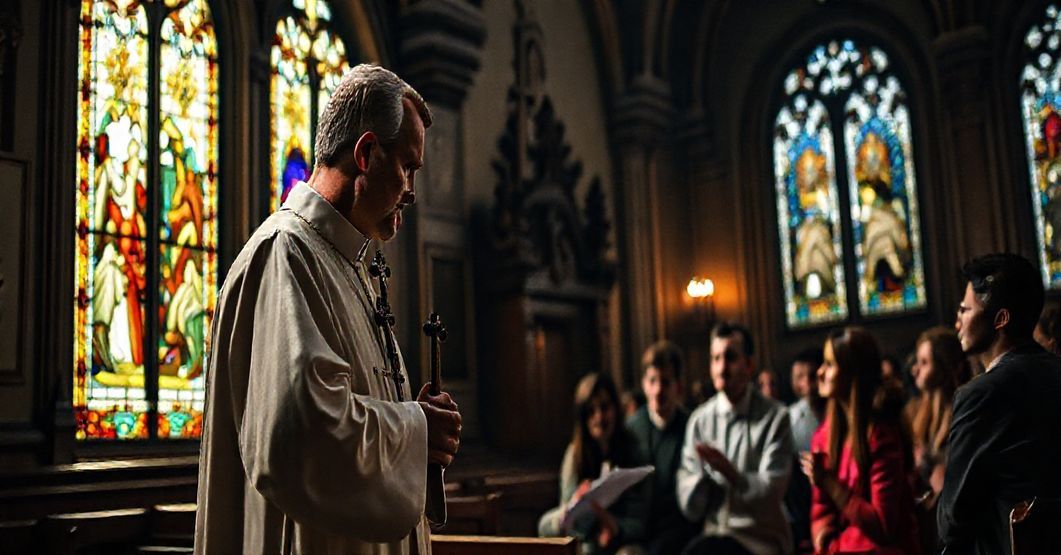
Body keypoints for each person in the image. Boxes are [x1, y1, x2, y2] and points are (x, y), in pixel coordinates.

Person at [194, 65, 462, 554]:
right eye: (406, 166)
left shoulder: (345, 262)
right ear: (365, 153)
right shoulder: (285, 255)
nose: (411, 189)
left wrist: (411, 421)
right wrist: (416, 428)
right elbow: (302, 434)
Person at [938, 253, 1061, 554]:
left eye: (966, 310)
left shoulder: (981, 394)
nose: (957, 321)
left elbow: (953, 518)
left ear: (1000, 319)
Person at [800, 326, 921, 555]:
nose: (819, 372)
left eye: (830, 364)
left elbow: (883, 526)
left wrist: (831, 484)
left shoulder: (880, 435)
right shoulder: (824, 436)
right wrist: (823, 536)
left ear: (852, 374)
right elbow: (821, 509)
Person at [677, 322, 794, 555]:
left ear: (749, 365)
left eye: (730, 358)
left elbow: (772, 494)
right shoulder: (700, 420)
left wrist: (731, 474)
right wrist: (701, 478)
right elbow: (689, 505)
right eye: (715, 358)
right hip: (715, 535)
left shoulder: (775, 417)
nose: (721, 368)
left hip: (760, 539)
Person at [539, 372, 647, 554]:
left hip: (622, 543)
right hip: (585, 541)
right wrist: (574, 507)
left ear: (615, 409)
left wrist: (614, 526)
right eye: (591, 410)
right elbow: (562, 524)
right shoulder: (575, 454)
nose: (599, 417)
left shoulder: (632, 450)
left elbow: (640, 521)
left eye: (604, 407)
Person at [626, 341, 698, 555]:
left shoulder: (691, 427)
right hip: (638, 528)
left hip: (679, 530)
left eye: (666, 382)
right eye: (652, 381)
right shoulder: (631, 428)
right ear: (644, 384)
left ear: (679, 386)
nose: (658, 390)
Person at [906, 326, 969, 552]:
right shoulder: (914, 411)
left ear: (944, 367)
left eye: (924, 363)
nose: (915, 370)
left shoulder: (963, 412)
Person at [785, 346, 824, 553]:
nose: (807, 383)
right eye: (800, 377)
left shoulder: (834, 411)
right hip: (803, 505)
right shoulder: (789, 418)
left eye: (811, 375)